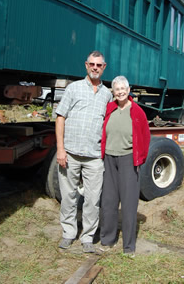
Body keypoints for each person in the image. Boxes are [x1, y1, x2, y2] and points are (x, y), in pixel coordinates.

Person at [55, 50, 112, 253]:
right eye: (92, 64)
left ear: (104, 68)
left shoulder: (108, 94)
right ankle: (68, 233)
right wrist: (60, 149)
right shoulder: (74, 89)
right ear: (86, 65)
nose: (95, 67)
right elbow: (60, 117)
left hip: (94, 156)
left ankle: (87, 237)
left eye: (99, 65)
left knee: (92, 199)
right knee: (68, 196)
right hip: (70, 153)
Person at [100, 76, 150, 257]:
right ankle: (107, 239)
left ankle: (129, 246)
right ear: (113, 92)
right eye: (117, 89)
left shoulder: (137, 112)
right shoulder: (110, 109)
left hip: (129, 159)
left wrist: (139, 159)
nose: (120, 91)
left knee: (129, 203)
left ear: (129, 91)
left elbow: (145, 137)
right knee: (108, 201)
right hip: (109, 159)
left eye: (123, 88)